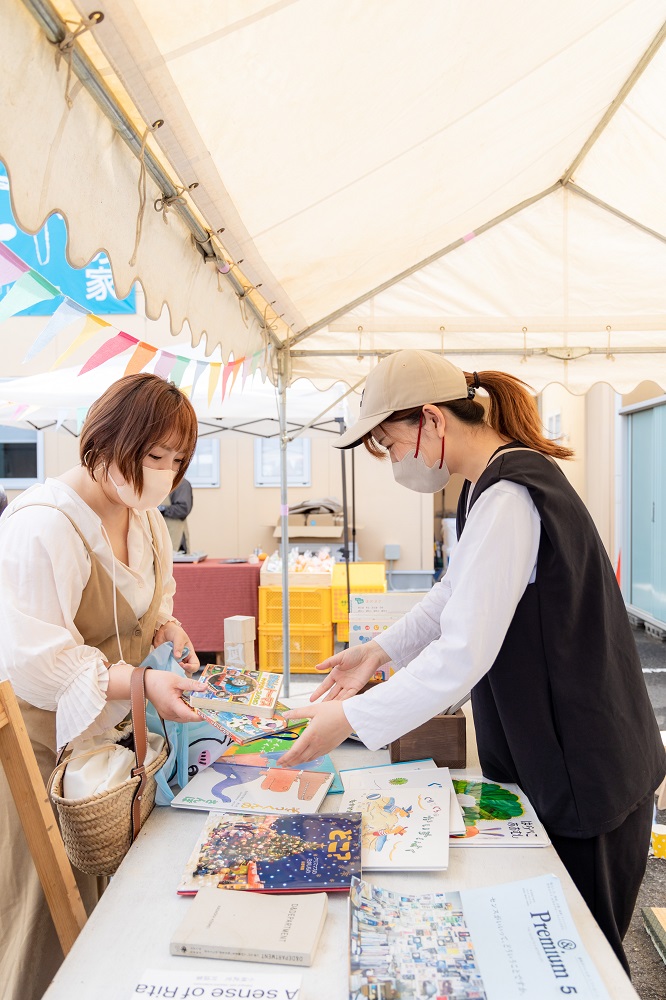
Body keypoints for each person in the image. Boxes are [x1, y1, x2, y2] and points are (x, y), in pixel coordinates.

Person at [279, 349, 666, 974]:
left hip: (587, 769)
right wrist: (377, 652)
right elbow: (452, 593)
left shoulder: (510, 493)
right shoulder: (493, 485)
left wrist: (348, 718)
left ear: (431, 420)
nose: (394, 460)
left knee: (582, 962)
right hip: (572, 754)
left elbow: (462, 653)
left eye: (391, 442)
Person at [0, 373, 209, 1000]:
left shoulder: (144, 518)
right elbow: (38, 661)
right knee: (49, 919)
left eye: (178, 461)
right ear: (106, 441)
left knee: (115, 913)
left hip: (119, 756)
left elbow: (154, 600)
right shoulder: (43, 525)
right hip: (48, 760)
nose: (166, 475)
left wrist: (168, 629)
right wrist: (142, 682)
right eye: (154, 457)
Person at [159, 476, 193, 552]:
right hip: (159, 537)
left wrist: (161, 509)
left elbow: (183, 509)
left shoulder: (182, 484)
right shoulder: (155, 483)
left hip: (175, 538)